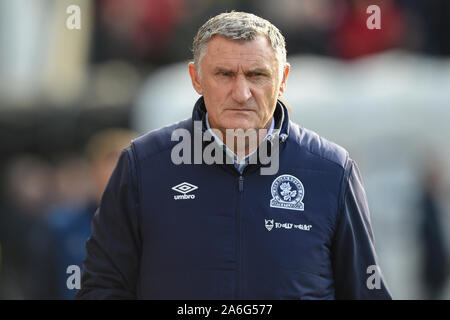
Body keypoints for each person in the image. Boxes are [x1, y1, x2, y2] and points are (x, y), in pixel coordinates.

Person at [77, 11, 392, 300]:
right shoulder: (143, 166)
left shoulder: (332, 171)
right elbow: (102, 288)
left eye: (257, 75)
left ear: (282, 79)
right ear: (196, 78)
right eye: (225, 75)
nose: (242, 94)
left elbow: (366, 293)